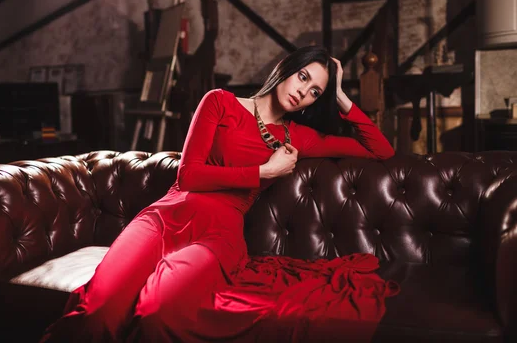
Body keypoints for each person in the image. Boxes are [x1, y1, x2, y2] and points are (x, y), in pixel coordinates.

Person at [40, 46, 398, 343]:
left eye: (315, 91)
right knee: (101, 308)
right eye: (303, 77)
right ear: (284, 69)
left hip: (218, 235)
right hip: (165, 217)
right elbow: (189, 175)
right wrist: (264, 172)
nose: (304, 91)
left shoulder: (298, 138)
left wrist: (340, 97)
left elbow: (381, 150)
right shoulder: (219, 103)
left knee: (159, 311)